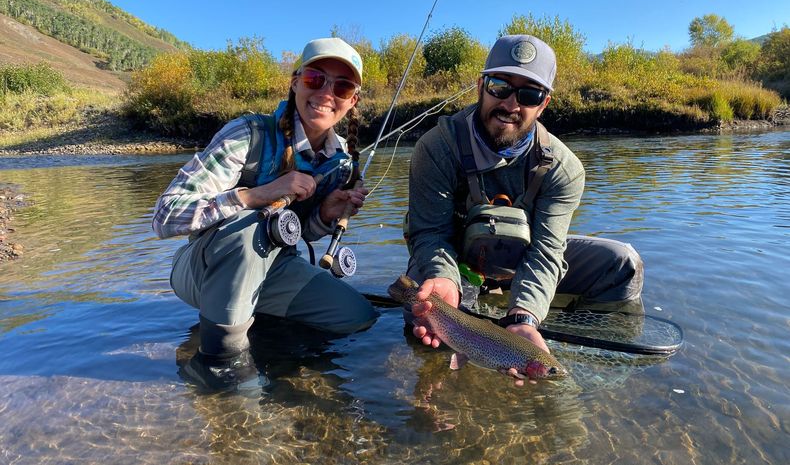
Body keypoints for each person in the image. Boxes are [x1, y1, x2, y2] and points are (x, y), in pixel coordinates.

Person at [405, 34, 644, 383]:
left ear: (543, 104)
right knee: (426, 319)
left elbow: (547, 252)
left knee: (621, 264)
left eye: (529, 94)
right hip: (456, 265)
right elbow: (429, 233)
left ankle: (594, 369)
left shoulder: (564, 168)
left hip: (522, 262)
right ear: (481, 87)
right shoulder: (437, 147)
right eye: (500, 86)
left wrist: (525, 316)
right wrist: (443, 278)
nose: (510, 104)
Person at [153, 37, 377, 391]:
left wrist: (324, 214)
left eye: (342, 86)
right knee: (248, 227)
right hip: (201, 271)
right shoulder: (247, 134)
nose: (326, 93)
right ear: (295, 81)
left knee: (356, 316)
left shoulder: (339, 163)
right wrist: (258, 194)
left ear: (353, 101)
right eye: (315, 79)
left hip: (273, 269)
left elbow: (298, 232)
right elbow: (166, 215)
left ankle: (261, 340)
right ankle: (218, 362)